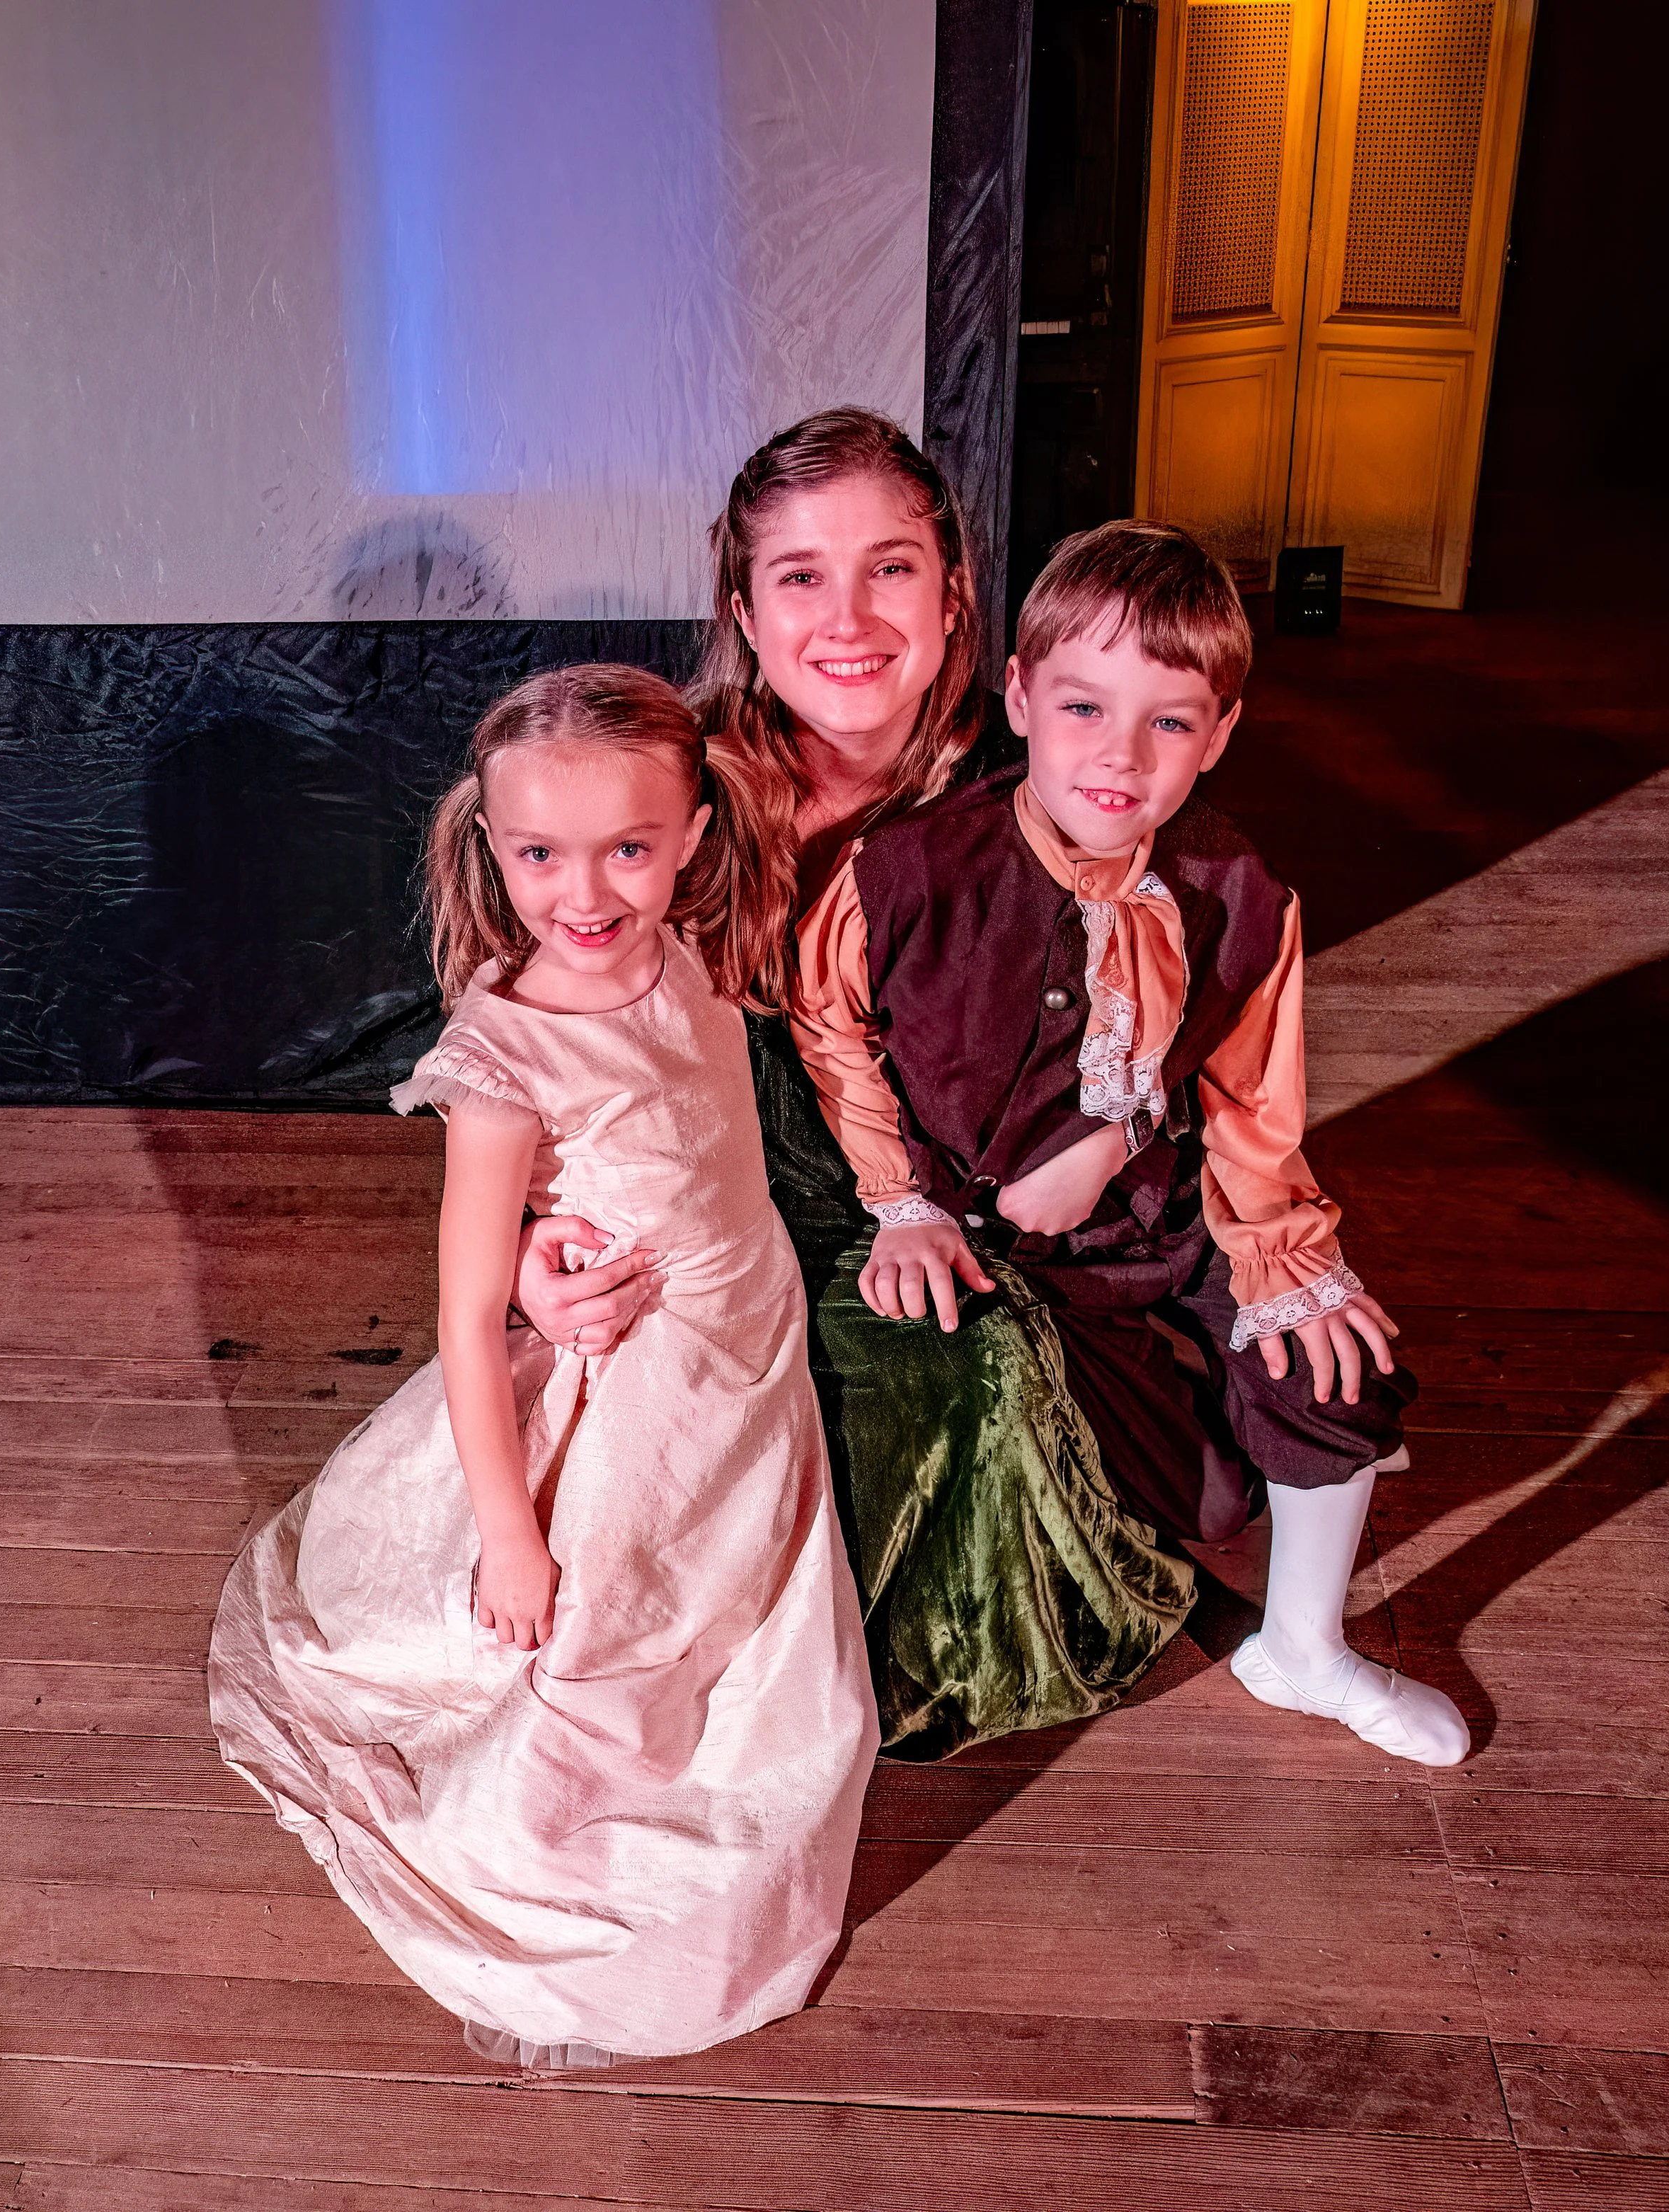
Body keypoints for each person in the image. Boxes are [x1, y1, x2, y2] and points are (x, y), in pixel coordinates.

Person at [209, 665, 880, 2068]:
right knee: (615, 1634)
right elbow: (463, 1319)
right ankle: (565, 1845)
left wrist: (551, 1238)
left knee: (739, 1593)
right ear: (491, 844)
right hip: (638, 1389)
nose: (582, 891)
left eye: (627, 847)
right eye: (538, 854)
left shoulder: (683, 952)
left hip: (747, 1357)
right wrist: (513, 1538)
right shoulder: (505, 1055)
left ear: (692, 834)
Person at [514, 411, 1201, 1760]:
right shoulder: (665, 785)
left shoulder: (1046, 780)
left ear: (954, 593)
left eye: (891, 567)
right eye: (800, 576)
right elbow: (540, 1041)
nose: (850, 616)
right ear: (742, 610)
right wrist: (536, 1243)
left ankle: (836, 1688)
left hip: (942, 1183)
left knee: (960, 1364)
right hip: (698, 1181)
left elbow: (1164, 1007)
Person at [789, 519, 1471, 1767]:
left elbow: (1256, 1105)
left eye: (1170, 722)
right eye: (1085, 707)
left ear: (1220, 733)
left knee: (1327, 1366)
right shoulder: (908, 873)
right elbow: (830, 1031)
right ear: (1019, 699)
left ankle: (1302, 1650)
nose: (1121, 755)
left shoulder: (1239, 892)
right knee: (1195, 1491)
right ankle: (1195, 1481)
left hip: (1164, 1215)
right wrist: (905, 1205)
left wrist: (1283, 1257)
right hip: (991, 1243)